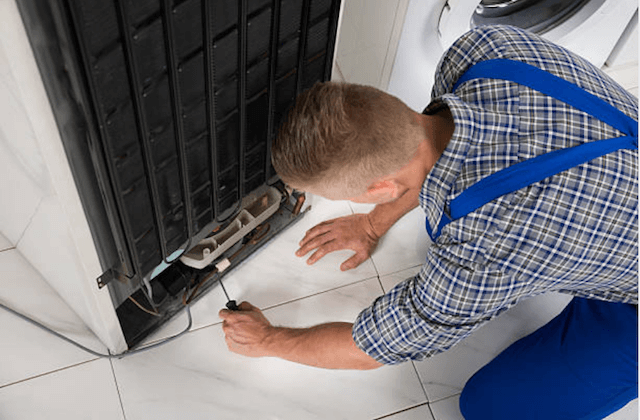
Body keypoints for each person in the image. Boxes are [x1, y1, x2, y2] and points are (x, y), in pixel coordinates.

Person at [219, 25, 638, 419]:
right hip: (616, 184)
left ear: (382, 187)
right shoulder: (482, 51)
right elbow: (421, 155)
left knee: (488, 407)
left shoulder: (482, 250)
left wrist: (267, 340)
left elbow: (371, 349)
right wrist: (369, 225)